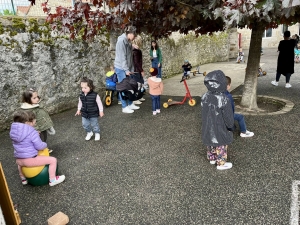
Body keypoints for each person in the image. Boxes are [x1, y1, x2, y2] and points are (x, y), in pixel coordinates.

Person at [10, 110, 65, 186]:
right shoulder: (32, 132)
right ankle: (53, 180)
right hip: (29, 160)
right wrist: (44, 144)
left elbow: (25, 141)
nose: (35, 122)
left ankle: (23, 179)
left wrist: (35, 133)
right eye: (35, 121)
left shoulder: (15, 133)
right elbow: (39, 146)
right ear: (29, 122)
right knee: (53, 160)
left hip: (19, 160)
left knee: (20, 164)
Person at [201, 70, 234, 170]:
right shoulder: (223, 98)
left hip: (207, 124)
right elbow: (228, 116)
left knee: (210, 140)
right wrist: (230, 125)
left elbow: (204, 112)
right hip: (220, 126)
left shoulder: (204, 96)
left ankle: (212, 158)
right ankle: (221, 163)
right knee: (221, 144)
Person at [114, 25, 140, 113]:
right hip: (121, 68)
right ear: (130, 33)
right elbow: (122, 57)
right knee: (123, 87)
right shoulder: (121, 41)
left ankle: (130, 103)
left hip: (127, 68)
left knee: (130, 86)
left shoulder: (128, 41)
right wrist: (126, 70)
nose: (135, 37)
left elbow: (129, 56)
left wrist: (132, 46)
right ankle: (124, 107)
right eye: (134, 35)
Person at [20, 88, 55, 153]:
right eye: (34, 98)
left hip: (42, 126)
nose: (37, 99)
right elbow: (30, 121)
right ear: (28, 99)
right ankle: (40, 151)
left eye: (37, 97)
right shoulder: (29, 110)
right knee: (39, 140)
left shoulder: (35, 105)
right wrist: (36, 130)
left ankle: (43, 148)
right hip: (37, 129)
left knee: (44, 138)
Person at [132, 35, 146, 105]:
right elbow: (136, 62)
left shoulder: (136, 50)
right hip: (136, 70)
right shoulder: (135, 50)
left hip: (137, 70)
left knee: (141, 83)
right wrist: (141, 70)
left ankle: (139, 96)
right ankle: (135, 98)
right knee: (137, 84)